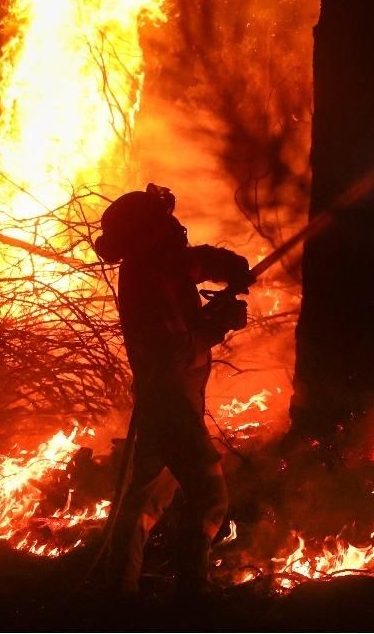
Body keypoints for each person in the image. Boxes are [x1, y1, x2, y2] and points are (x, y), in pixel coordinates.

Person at [94, 183, 252, 597]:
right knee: (208, 495)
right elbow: (173, 349)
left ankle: (118, 592)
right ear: (149, 231)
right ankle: (192, 591)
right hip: (169, 402)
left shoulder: (159, 263)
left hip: (168, 399)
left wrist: (228, 264)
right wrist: (221, 321)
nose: (174, 228)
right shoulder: (148, 278)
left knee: (144, 499)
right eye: (164, 222)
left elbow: (193, 263)